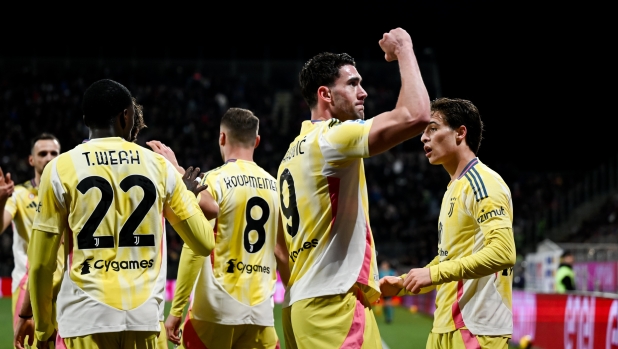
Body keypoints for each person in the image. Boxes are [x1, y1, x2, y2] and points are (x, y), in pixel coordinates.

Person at [28, 78, 216, 349]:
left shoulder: (59, 168)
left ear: (86, 119)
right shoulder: (159, 166)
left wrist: (44, 329)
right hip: (143, 320)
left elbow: (41, 265)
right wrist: (186, 193)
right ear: (126, 116)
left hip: (84, 318)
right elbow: (203, 242)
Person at [277, 27, 430, 349]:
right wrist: (403, 47)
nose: (364, 93)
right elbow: (416, 116)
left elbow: (280, 246)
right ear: (325, 95)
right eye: (353, 84)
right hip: (333, 304)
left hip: (303, 303)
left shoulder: (291, 154)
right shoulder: (331, 138)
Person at [379, 97, 516, 348]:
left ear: (460, 133)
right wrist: (404, 283)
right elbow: (449, 258)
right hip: (445, 326)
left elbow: (503, 252)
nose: (423, 138)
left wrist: (433, 273)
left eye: (432, 128)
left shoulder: (484, 182)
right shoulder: (454, 187)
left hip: (476, 328)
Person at [149, 107, 288, 349]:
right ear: (257, 141)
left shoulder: (212, 182)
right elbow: (281, 253)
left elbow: (194, 248)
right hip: (261, 315)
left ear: (221, 138)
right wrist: (293, 302)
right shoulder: (276, 187)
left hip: (214, 312)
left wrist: (177, 309)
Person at [0, 133, 62, 349]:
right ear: (31, 160)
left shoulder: (68, 193)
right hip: (27, 284)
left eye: (54, 153)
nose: (48, 157)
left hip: (64, 285)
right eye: (42, 153)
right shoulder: (18, 194)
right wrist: (0, 201)